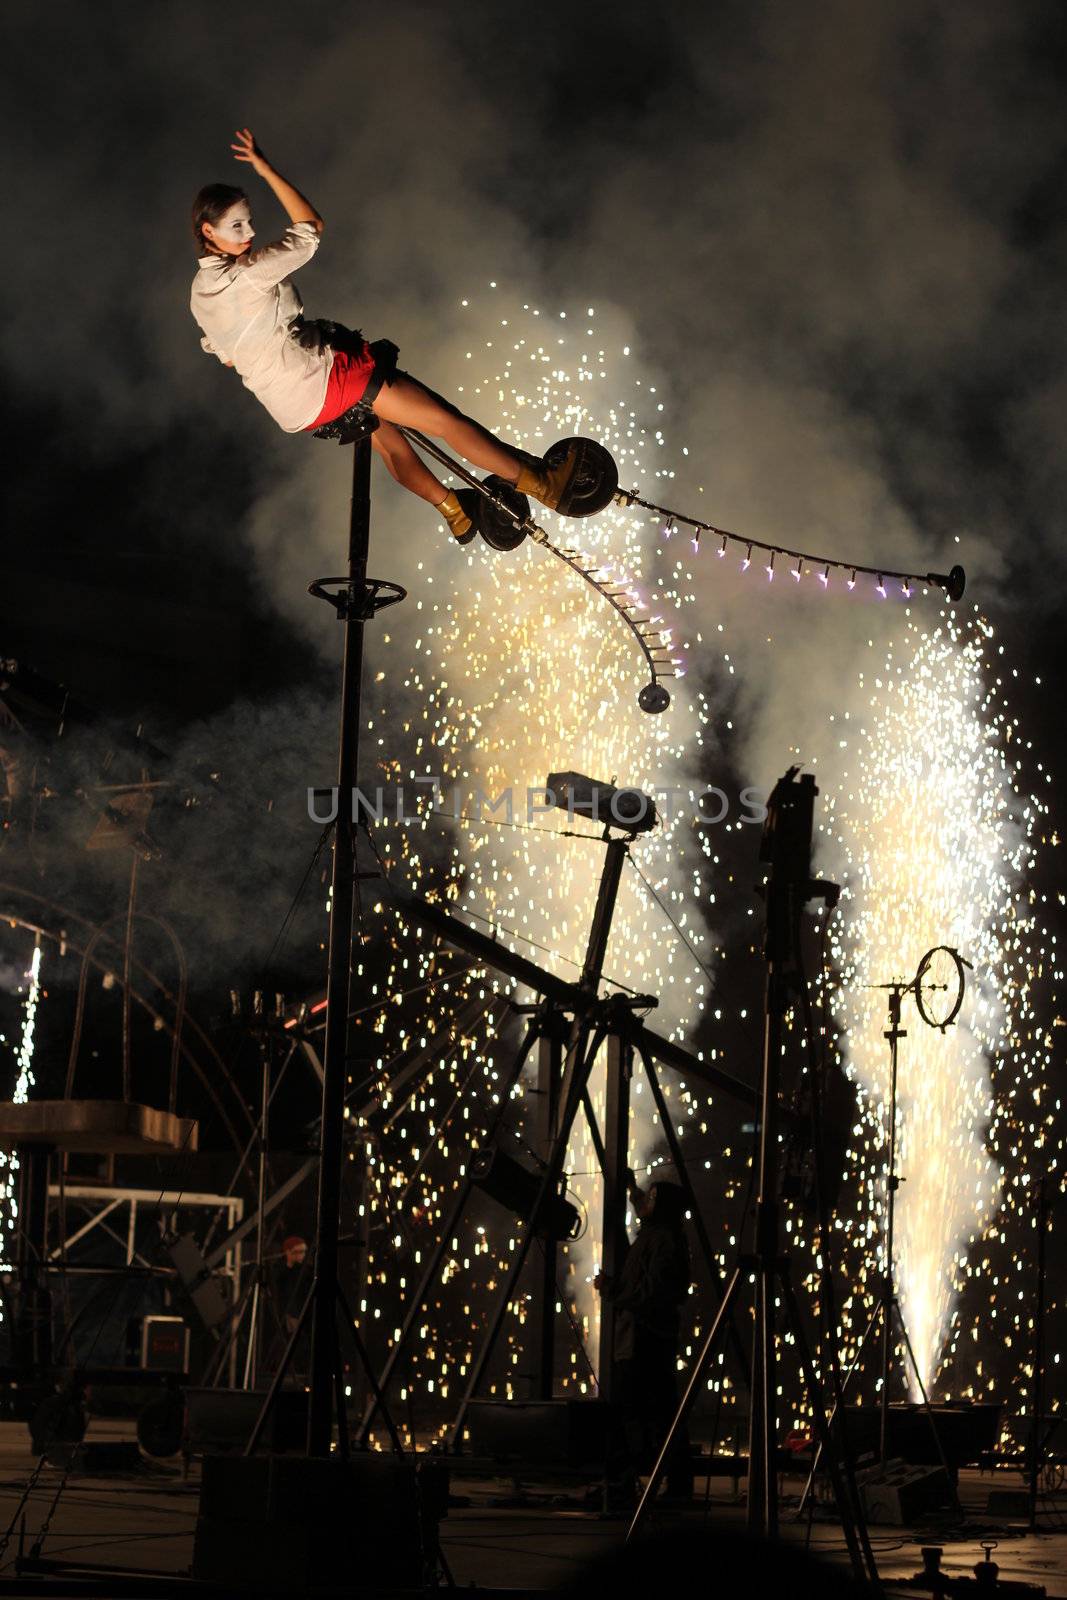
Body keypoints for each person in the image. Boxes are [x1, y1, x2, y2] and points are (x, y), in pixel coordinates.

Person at [190, 130, 581, 544]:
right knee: (444, 421)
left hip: (294, 410)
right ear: (208, 231)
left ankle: (455, 511)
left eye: (249, 220)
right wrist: (266, 169)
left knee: (389, 443)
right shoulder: (248, 275)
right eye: (235, 225)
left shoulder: (200, 293)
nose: (248, 232)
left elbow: (227, 355)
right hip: (327, 380)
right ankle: (546, 486)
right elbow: (310, 229)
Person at [594, 1175, 693, 1503]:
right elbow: (643, 1206)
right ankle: (670, 1484)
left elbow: (652, 1293)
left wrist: (612, 1289)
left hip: (645, 1340)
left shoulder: (662, 1241)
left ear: (660, 1207)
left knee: (631, 1413)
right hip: (646, 1338)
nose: (644, 1204)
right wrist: (632, 1189)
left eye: (650, 1199)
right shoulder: (659, 1235)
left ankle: (624, 1485)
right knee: (657, 1413)